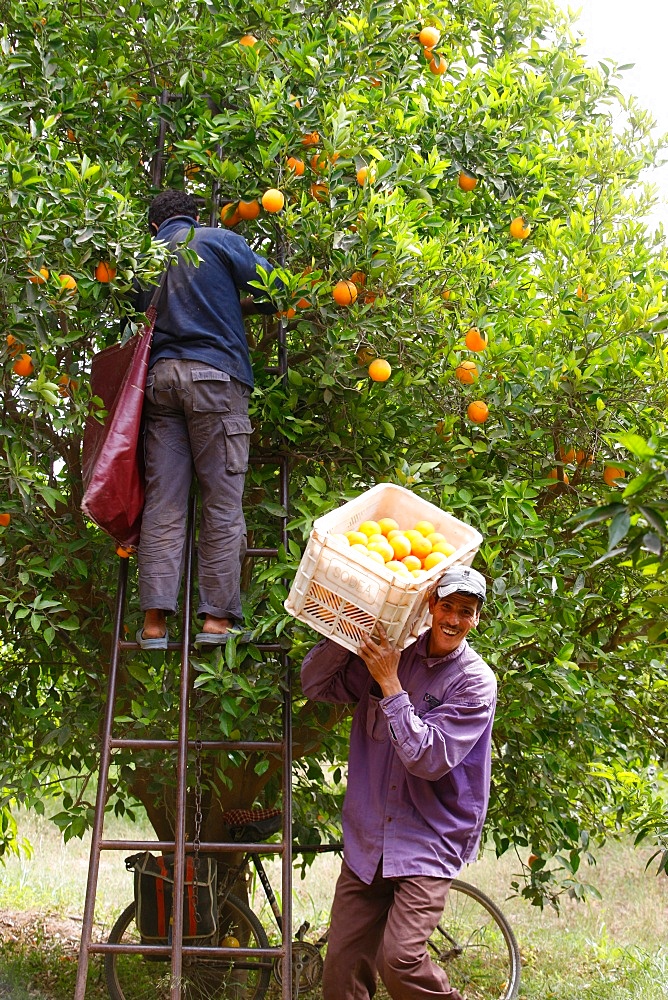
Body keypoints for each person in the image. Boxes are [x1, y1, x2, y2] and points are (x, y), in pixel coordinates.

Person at [300, 565, 496, 1000]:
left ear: (477, 619)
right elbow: (316, 683)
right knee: (342, 970)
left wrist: (390, 683)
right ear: (430, 606)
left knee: (401, 959)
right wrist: (349, 626)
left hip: (427, 839)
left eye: (466, 611)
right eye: (447, 606)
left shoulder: (474, 683)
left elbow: (427, 759)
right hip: (369, 839)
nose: (454, 619)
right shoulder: (395, 651)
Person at [135, 188, 278, 650]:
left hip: (160, 383)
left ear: (155, 227)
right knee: (221, 501)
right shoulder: (216, 240)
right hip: (215, 379)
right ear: (195, 217)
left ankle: (154, 622)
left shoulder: (144, 261)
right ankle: (216, 620)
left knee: (164, 503)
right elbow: (275, 287)